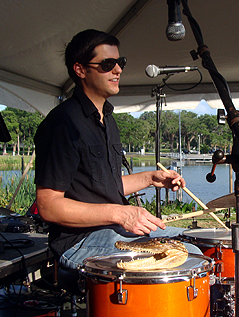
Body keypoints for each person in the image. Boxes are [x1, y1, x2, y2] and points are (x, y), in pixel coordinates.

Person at [34, 29, 200, 270]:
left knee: (193, 242)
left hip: (113, 230)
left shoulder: (107, 119)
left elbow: (101, 186)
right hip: (79, 241)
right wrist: (122, 214)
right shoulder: (62, 123)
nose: (118, 69)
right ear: (80, 70)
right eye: (108, 64)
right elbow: (48, 205)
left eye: (119, 62)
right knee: (185, 258)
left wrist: (150, 178)